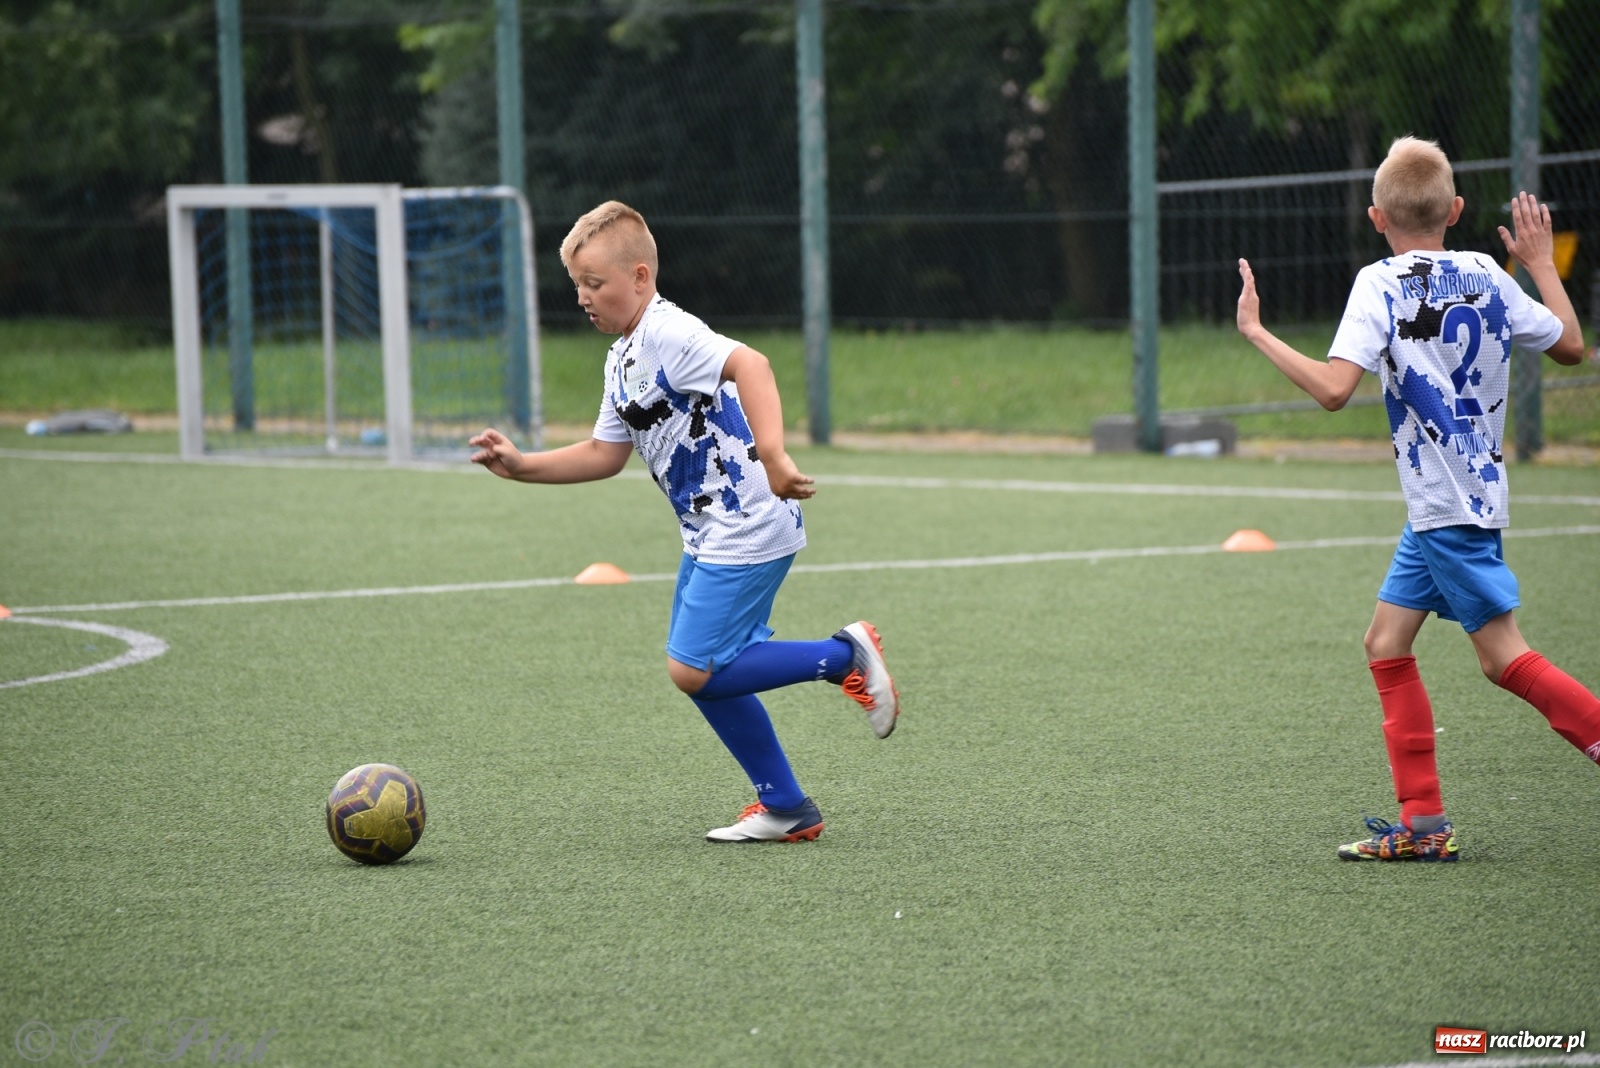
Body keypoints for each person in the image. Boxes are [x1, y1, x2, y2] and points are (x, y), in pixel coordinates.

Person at [470, 201, 900, 844]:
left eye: (595, 284)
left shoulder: (669, 333)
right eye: (577, 287)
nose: (583, 298)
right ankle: (785, 805)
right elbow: (605, 454)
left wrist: (776, 456)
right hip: (709, 532)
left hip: (748, 522)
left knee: (691, 668)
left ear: (640, 277)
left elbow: (750, 363)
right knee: (706, 672)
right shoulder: (622, 358)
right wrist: (523, 466)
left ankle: (843, 657)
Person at [1235, 136, 1600, 862]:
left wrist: (1256, 331)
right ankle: (1424, 826)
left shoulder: (1379, 283)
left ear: (1377, 217)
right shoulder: (1486, 275)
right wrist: (1535, 265)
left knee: (1503, 660)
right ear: (1456, 209)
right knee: (1385, 641)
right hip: (1460, 500)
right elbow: (1569, 346)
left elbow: (1335, 390)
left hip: (1446, 508)